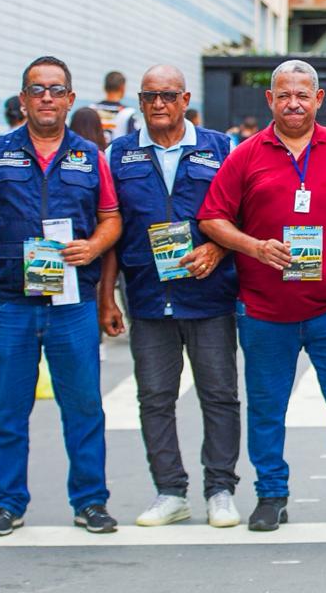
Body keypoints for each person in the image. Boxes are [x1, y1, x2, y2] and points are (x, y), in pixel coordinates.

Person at [198, 60, 326, 532]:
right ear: (270, 100)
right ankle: (271, 495)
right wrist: (254, 247)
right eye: (284, 95)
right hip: (265, 311)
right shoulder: (245, 154)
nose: (293, 104)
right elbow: (212, 218)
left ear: (318, 99)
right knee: (267, 408)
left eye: (302, 95)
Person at [0, 56, 122, 536]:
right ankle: (6, 503)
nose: (47, 97)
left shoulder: (90, 157)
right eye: (37, 89)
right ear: (23, 100)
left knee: (84, 409)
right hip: (11, 304)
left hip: (72, 304)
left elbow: (112, 220)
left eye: (56, 89)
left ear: (70, 99)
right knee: (8, 412)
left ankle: (90, 501)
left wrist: (93, 245)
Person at [99, 65, 242, 528]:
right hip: (147, 297)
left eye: (168, 95)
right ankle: (170, 492)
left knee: (219, 396)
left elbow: (245, 215)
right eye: (150, 96)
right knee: (154, 399)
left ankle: (220, 489)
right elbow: (111, 229)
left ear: (185, 100)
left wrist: (218, 248)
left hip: (209, 297)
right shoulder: (118, 154)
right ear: (139, 102)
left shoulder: (221, 148)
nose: (158, 104)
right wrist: (107, 297)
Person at [94, 70, 140, 140]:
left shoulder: (91, 109)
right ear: (122, 88)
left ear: (104, 87)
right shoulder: (128, 113)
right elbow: (136, 140)